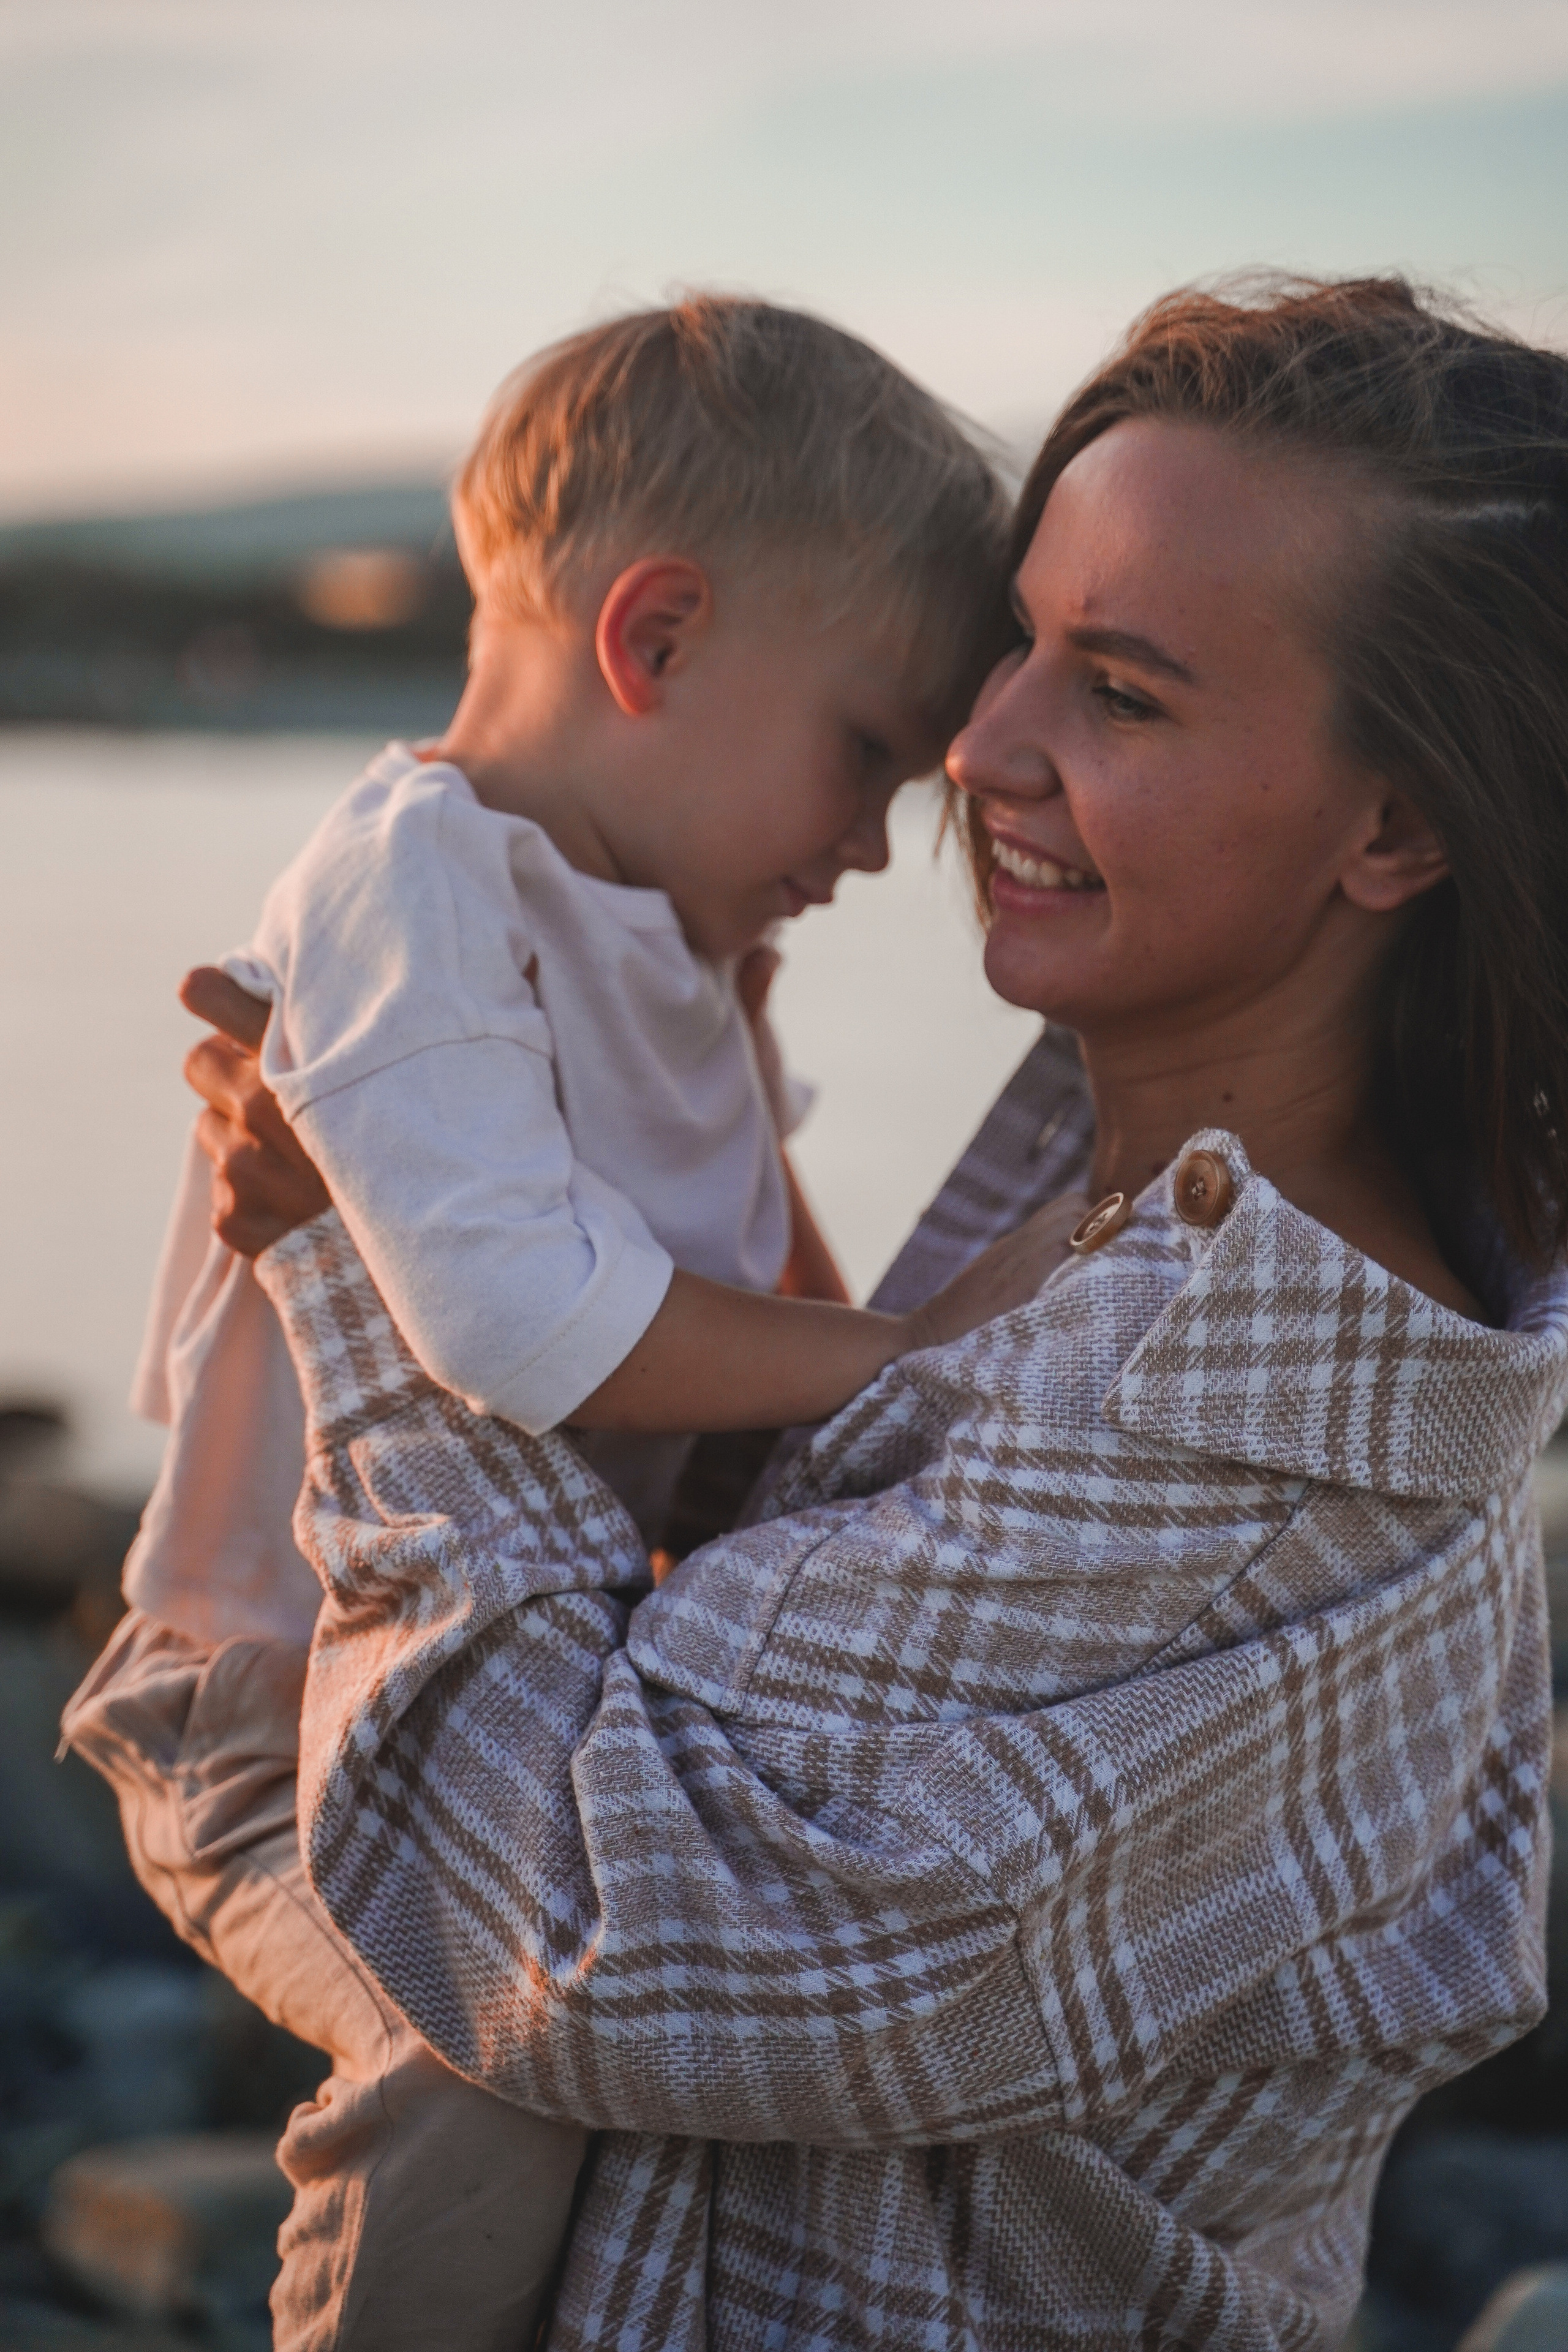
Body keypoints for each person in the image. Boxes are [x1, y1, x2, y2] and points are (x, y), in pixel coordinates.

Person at [70, 275, 1568, 2348]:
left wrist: (339, 1263)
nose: (979, 745)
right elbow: (800, 1545)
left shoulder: (1262, 1429)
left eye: (1119, 693)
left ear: (1394, 823)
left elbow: (565, 1939)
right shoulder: (1114, 1163)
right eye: (1014, 643)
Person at [90, 296, 1077, 2352]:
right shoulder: (414, 881)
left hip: (498, 1678)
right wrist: (921, 1364)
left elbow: (765, 1310)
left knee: (664, 2040)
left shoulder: (680, 945)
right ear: (658, 641)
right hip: (269, 1709)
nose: (876, 844)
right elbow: (525, 1329)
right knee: (488, 2043)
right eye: (868, 753)